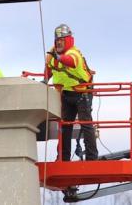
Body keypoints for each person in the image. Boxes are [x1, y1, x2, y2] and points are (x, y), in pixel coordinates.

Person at [45, 24, 98, 162]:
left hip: (82, 93)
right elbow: (49, 69)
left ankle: (92, 158)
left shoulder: (74, 53)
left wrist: (59, 57)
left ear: (68, 40)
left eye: (62, 40)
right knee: (64, 126)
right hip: (67, 94)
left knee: (86, 124)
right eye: (57, 40)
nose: (59, 42)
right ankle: (63, 158)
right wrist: (45, 80)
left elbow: (71, 61)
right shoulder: (52, 54)